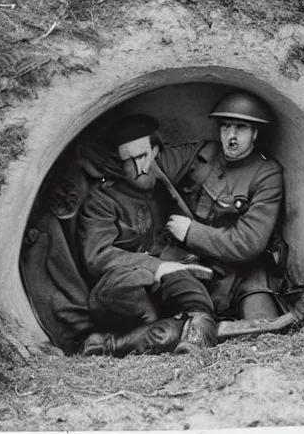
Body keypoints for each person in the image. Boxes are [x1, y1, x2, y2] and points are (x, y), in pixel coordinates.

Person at [77, 114, 220, 356]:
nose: (139, 168)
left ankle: (189, 334)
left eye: (142, 156)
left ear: (154, 151)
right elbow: (97, 256)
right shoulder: (102, 200)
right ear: (119, 164)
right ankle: (176, 330)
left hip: (159, 284)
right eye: (129, 161)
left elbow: (204, 150)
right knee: (166, 278)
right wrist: (157, 266)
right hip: (119, 288)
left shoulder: (160, 183)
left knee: (181, 281)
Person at [165, 92, 284, 320]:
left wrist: (191, 232)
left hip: (241, 272)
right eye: (225, 126)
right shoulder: (201, 155)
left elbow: (248, 243)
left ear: (255, 133)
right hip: (190, 261)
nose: (231, 136)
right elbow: (156, 166)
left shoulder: (266, 175)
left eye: (240, 128)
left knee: (262, 324)